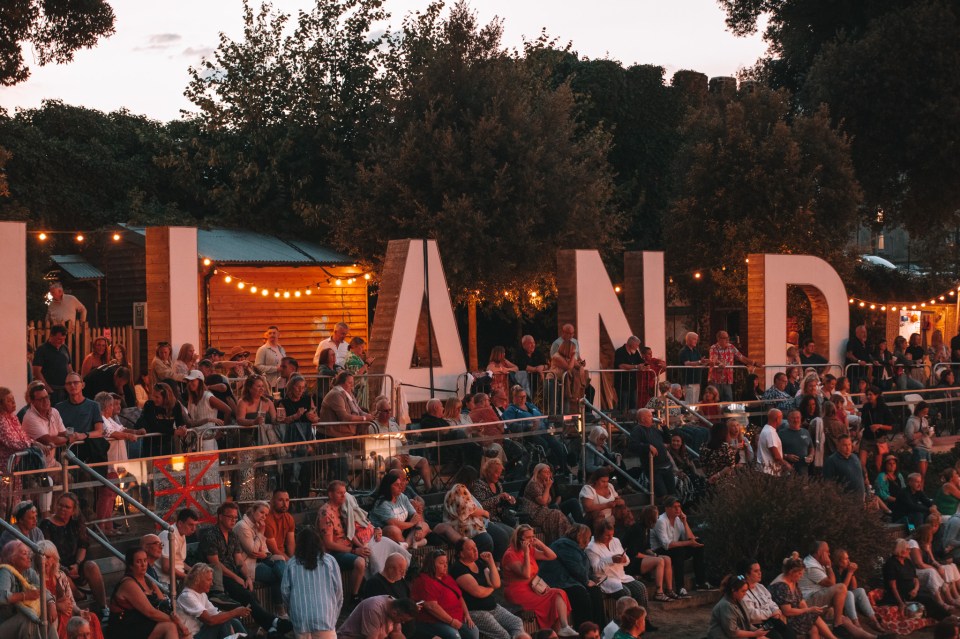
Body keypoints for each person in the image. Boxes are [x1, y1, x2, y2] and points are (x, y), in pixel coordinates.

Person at [196, 502, 292, 637]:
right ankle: (273, 623)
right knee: (246, 594)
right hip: (216, 576)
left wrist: (246, 577)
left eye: (235, 517)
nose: (233, 520)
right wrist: (237, 578)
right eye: (230, 517)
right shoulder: (211, 534)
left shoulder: (232, 536)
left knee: (250, 592)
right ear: (220, 516)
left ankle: (270, 625)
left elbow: (239, 560)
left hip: (234, 574)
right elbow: (216, 564)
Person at [501, 524, 578, 637]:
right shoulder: (510, 554)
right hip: (518, 592)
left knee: (559, 593)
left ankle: (563, 627)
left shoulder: (531, 549)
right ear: (519, 539)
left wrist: (540, 544)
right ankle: (555, 633)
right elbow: (526, 574)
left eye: (533, 536)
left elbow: (552, 556)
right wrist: (526, 553)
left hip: (532, 588)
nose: (531, 540)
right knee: (553, 597)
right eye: (528, 537)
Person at [40, 492, 107, 618]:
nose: (62, 509)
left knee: (92, 566)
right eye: (60, 505)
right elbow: (47, 551)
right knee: (63, 575)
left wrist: (77, 564)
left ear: (73, 510)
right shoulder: (46, 524)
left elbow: (83, 545)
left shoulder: (76, 521)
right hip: (57, 565)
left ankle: (103, 607)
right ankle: (80, 600)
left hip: (76, 563)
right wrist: (64, 568)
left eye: (67, 507)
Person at [108, 547, 184, 639]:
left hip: (142, 623)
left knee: (181, 630)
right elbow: (150, 612)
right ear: (131, 565)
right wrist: (178, 622)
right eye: (138, 561)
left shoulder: (149, 582)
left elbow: (163, 602)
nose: (143, 565)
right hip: (125, 629)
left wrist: (179, 623)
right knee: (171, 626)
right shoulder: (128, 584)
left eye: (145, 560)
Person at [538, 524, 606, 626]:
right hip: (558, 581)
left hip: (568, 579)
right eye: (588, 538)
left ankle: (598, 630)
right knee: (581, 594)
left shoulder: (574, 546)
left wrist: (592, 579)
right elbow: (575, 567)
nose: (588, 542)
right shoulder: (565, 545)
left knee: (595, 591)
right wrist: (587, 581)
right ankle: (585, 631)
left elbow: (583, 567)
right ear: (582, 537)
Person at [281, 528, 343, 639]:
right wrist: (332, 617)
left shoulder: (291, 563)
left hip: (301, 620)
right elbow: (338, 592)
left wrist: (293, 613)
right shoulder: (330, 561)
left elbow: (285, 592)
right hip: (326, 619)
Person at [317, 480, 372, 602]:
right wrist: (354, 550)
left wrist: (361, 546)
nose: (343, 496)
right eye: (339, 493)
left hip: (349, 546)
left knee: (372, 550)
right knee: (360, 562)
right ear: (331, 494)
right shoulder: (326, 512)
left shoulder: (344, 508)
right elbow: (329, 544)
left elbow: (351, 532)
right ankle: (354, 595)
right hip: (334, 552)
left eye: (344, 493)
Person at [41, 539, 106, 639]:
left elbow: (72, 602)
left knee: (92, 617)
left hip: (68, 614)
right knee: (63, 620)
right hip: (51, 617)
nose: (44, 561)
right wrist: (57, 606)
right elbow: (35, 605)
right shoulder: (35, 578)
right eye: (42, 557)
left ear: (54, 559)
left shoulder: (61, 575)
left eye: (48, 557)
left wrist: (79, 611)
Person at [411, 548, 479, 639]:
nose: (445, 566)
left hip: (457, 617)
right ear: (432, 565)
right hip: (435, 621)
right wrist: (451, 621)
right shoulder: (424, 581)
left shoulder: (447, 578)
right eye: (441, 563)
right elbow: (431, 607)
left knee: (473, 631)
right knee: (454, 636)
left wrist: (467, 615)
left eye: (446, 563)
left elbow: (459, 596)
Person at [769, 555, 838, 639]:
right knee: (813, 617)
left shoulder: (793, 580)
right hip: (785, 619)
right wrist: (809, 610)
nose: (801, 576)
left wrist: (808, 612)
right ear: (791, 572)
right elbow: (787, 611)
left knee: (814, 626)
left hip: (795, 615)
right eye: (799, 573)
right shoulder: (781, 586)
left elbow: (801, 601)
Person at [0, 540, 57, 639]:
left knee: (47, 613)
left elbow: (43, 589)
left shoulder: (29, 572)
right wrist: (25, 595)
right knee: (28, 618)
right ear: (12, 559)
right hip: (4, 624)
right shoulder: (5, 571)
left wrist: (51, 603)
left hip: (19, 619)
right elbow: (2, 597)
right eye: (24, 553)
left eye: (29, 553)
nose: (29, 557)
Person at [650, 496, 708, 594]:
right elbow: (666, 545)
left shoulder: (678, 520)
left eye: (679, 506)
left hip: (674, 548)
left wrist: (685, 522)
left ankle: (700, 582)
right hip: (658, 550)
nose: (678, 509)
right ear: (667, 508)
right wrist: (689, 542)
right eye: (674, 507)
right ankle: (680, 587)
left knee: (699, 544)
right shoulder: (661, 521)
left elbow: (691, 538)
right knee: (679, 550)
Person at [881, 538, 949, 620]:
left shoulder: (907, 562)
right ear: (901, 550)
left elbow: (916, 579)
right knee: (927, 599)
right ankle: (947, 618)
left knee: (929, 596)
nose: (909, 551)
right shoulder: (891, 564)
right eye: (907, 549)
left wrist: (915, 590)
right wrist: (901, 603)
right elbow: (893, 586)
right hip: (902, 594)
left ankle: (945, 617)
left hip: (912, 592)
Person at [177, 563, 247, 639]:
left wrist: (232, 615)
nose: (212, 584)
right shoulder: (187, 596)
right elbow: (210, 620)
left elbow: (216, 614)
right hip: (193, 636)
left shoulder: (202, 594)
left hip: (203, 632)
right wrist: (235, 612)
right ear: (198, 580)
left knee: (233, 621)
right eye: (209, 580)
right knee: (221, 621)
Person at [586, 520, 649, 605]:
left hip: (621, 576)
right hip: (606, 580)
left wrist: (624, 559)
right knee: (626, 593)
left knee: (641, 589)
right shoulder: (591, 547)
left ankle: (642, 617)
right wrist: (611, 560)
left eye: (612, 534)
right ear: (598, 534)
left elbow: (627, 560)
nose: (610, 538)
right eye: (607, 535)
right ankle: (627, 618)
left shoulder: (615, 541)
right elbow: (596, 569)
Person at [233, 502, 285, 603]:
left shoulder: (257, 525)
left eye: (266, 515)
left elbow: (265, 549)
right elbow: (253, 551)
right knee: (276, 575)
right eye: (261, 512)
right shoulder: (242, 526)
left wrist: (264, 554)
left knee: (280, 559)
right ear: (253, 511)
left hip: (260, 559)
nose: (264, 517)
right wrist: (261, 533)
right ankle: (280, 606)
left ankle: (288, 586)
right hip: (248, 565)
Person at [832, 549, 887, 636]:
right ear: (839, 561)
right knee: (849, 593)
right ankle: (856, 623)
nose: (848, 561)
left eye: (848, 558)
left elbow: (854, 587)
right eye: (846, 559)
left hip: (845, 596)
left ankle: (874, 621)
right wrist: (850, 572)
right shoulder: (834, 570)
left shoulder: (846, 570)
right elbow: (842, 590)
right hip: (836, 599)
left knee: (860, 590)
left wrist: (852, 573)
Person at [736, 559, 794, 639]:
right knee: (777, 637)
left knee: (790, 634)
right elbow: (752, 614)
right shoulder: (743, 592)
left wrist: (776, 611)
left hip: (771, 620)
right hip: (756, 624)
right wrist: (770, 613)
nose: (760, 573)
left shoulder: (760, 587)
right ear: (747, 574)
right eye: (756, 571)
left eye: (760, 570)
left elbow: (771, 602)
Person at [370, 471, 430, 546]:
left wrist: (418, 528)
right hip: (383, 533)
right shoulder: (382, 503)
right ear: (388, 487)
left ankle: (406, 544)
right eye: (396, 485)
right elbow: (394, 523)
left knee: (424, 525)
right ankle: (412, 543)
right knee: (393, 530)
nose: (400, 487)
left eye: (400, 484)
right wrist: (412, 523)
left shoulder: (402, 496)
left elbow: (415, 515)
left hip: (404, 531)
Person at [628, 409, 675, 497]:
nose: (652, 418)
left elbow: (668, 440)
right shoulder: (637, 430)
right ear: (642, 419)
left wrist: (664, 427)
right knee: (662, 494)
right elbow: (632, 446)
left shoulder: (653, 429)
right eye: (650, 416)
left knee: (672, 492)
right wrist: (647, 446)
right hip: (654, 468)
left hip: (666, 465)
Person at [521, 463, 572, 543]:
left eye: (549, 472)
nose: (548, 474)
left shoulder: (542, 483)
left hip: (541, 510)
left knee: (557, 515)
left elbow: (549, 500)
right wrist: (548, 487)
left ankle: (566, 538)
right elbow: (543, 501)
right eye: (545, 472)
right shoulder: (533, 484)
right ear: (538, 473)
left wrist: (546, 487)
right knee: (557, 514)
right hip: (533, 513)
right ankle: (567, 538)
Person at [442, 483, 498, 555]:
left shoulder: (461, 489)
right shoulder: (459, 489)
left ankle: (495, 565)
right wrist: (485, 513)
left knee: (504, 535)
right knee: (487, 540)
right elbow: (468, 509)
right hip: (466, 527)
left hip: (481, 522)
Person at [707, 574, 769, 639]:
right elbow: (733, 632)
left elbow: (746, 623)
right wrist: (754, 634)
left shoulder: (739, 600)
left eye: (746, 591)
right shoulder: (726, 605)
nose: (745, 594)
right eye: (743, 591)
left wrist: (759, 631)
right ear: (733, 590)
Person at [184, 371, 230, 451]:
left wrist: (222, 430)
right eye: (188, 381)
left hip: (208, 441)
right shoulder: (191, 398)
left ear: (200, 381)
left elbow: (228, 410)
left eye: (192, 381)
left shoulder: (208, 397)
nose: (189, 383)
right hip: (194, 441)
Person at [708, 331, 759, 402]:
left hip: (727, 380)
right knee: (716, 401)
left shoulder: (731, 347)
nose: (727, 340)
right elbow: (713, 359)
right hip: (716, 379)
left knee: (729, 402)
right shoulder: (714, 348)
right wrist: (720, 364)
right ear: (719, 339)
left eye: (727, 337)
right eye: (724, 338)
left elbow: (741, 357)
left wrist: (754, 363)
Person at [337, 596, 418, 639]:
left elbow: (396, 633)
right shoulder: (374, 609)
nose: (402, 622)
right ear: (394, 613)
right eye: (402, 620)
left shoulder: (396, 606)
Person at [33, 325, 73, 404]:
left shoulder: (65, 348)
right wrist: (47, 388)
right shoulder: (42, 350)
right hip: (51, 389)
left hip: (65, 389)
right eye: (59, 339)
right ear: (51, 336)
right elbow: (36, 371)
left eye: (63, 339)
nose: (61, 342)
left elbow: (69, 366)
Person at [778, 410, 813, 475]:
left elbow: (811, 447)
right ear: (788, 419)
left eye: (797, 417)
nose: (796, 420)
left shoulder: (806, 432)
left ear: (801, 418)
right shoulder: (781, 433)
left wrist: (811, 456)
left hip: (804, 472)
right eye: (793, 418)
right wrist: (786, 456)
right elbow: (775, 453)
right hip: (787, 472)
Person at [613, 336, 643, 412]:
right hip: (622, 383)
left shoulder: (635, 352)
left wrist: (645, 366)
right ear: (631, 344)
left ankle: (632, 422)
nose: (637, 347)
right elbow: (621, 365)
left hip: (633, 384)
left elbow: (641, 361)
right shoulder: (620, 351)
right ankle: (621, 423)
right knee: (623, 406)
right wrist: (636, 366)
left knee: (633, 405)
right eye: (636, 345)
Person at [905, 401, 934, 479]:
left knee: (923, 475)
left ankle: (921, 489)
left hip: (926, 446)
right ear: (919, 410)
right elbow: (910, 436)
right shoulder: (911, 421)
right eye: (924, 412)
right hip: (919, 447)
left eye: (926, 412)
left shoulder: (924, 420)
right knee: (921, 473)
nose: (925, 413)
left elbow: (927, 433)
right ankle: (919, 489)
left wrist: (929, 432)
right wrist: (921, 432)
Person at [678, 332, 708, 405]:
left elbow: (699, 362)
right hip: (688, 381)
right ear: (688, 340)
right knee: (690, 403)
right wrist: (700, 361)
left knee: (695, 403)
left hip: (697, 381)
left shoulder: (696, 351)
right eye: (694, 339)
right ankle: (690, 416)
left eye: (696, 339)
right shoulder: (684, 351)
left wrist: (708, 362)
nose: (696, 341)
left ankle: (694, 416)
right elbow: (687, 363)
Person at [344, 337, 374, 409]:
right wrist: (367, 363)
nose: (363, 349)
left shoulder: (356, 357)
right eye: (361, 347)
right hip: (357, 392)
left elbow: (362, 370)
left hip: (361, 390)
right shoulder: (351, 358)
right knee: (358, 411)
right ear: (355, 346)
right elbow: (356, 375)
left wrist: (367, 366)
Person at [254, 326, 286, 390]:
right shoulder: (262, 349)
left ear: (278, 335)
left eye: (274, 333)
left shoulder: (281, 349)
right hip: (269, 384)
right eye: (270, 333)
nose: (272, 335)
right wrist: (275, 369)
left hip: (282, 384)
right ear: (267, 335)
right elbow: (257, 366)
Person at [756, 409, 787, 475]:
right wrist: (787, 465)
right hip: (770, 472)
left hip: (765, 470)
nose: (781, 421)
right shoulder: (770, 433)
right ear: (777, 419)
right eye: (781, 418)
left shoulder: (766, 429)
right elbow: (776, 456)